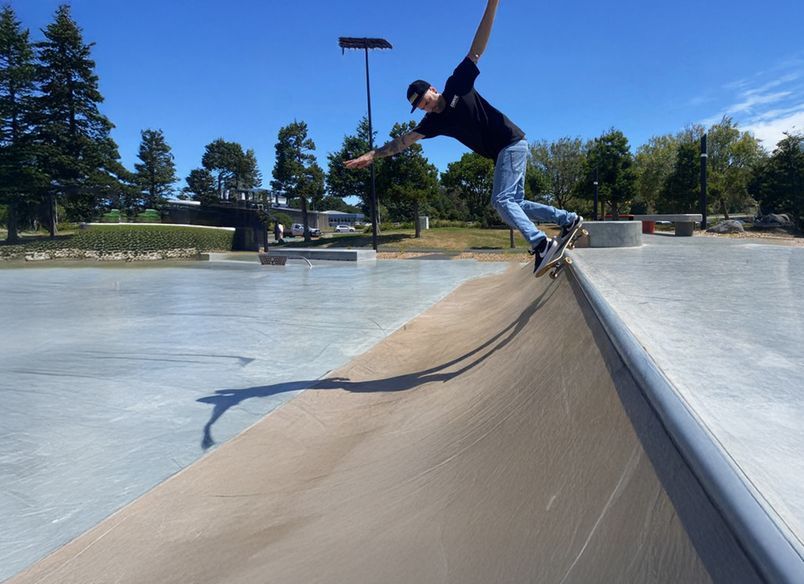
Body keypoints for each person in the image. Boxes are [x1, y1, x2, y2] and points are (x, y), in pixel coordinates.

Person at [345, 0, 582, 275]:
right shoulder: (433, 123)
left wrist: (492, 5)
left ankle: (541, 245)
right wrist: (371, 155)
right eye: (421, 106)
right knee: (512, 205)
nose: (427, 106)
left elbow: (477, 48)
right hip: (505, 151)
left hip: (511, 142)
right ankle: (568, 220)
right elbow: (403, 142)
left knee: (501, 202)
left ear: (433, 89)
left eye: (426, 99)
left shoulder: (457, 83)